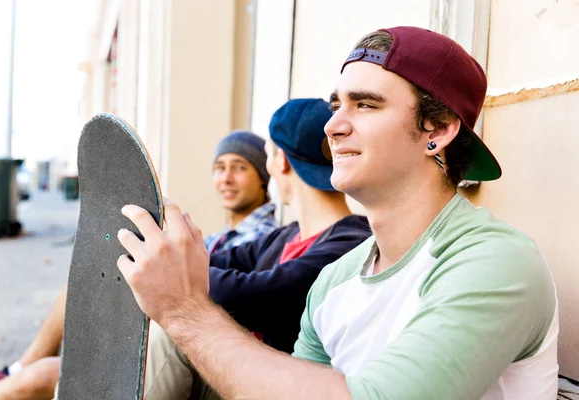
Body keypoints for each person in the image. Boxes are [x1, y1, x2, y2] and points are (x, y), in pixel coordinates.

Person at [117, 26, 559, 400]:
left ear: (438, 129)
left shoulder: (495, 262)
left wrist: (184, 311)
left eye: (365, 104)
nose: (333, 126)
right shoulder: (337, 278)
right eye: (336, 105)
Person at [0, 98, 372, 400]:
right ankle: (18, 371)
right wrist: (164, 252)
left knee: (172, 315)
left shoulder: (346, 241)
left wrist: (171, 269)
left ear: (278, 161)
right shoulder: (284, 236)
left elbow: (252, 292)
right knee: (56, 370)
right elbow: (214, 264)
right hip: (218, 366)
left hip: (251, 379)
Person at [0, 130, 277, 394]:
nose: (225, 178)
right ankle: (17, 371)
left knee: (46, 373)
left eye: (239, 168)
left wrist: (168, 273)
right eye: (219, 167)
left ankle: (16, 373)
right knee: (84, 287)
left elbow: (237, 290)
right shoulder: (224, 234)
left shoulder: (264, 235)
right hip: (154, 331)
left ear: (265, 177)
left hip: (188, 340)